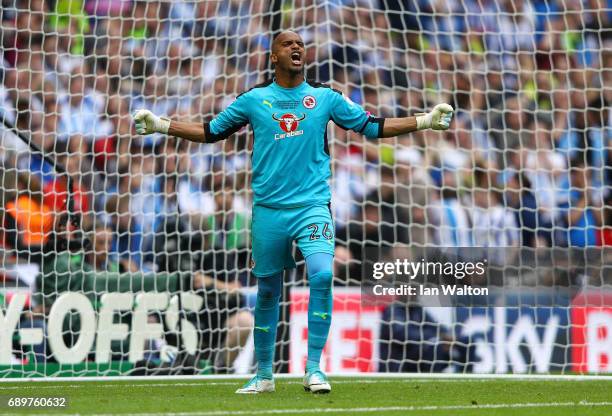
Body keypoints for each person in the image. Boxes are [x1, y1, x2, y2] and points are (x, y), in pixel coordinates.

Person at [133, 30, 454, 394]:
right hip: (269, 211)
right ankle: (264, 374)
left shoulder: (325, 98)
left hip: (312, 208)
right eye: (287, 44)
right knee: (269, 291)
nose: (297, 47)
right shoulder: (254, 100)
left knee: (321, 275)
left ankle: (314, 368)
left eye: (301, 43)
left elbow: (372, 126)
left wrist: (425, 120)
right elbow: (210, 132)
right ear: (273, 56)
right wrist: (161, 125)